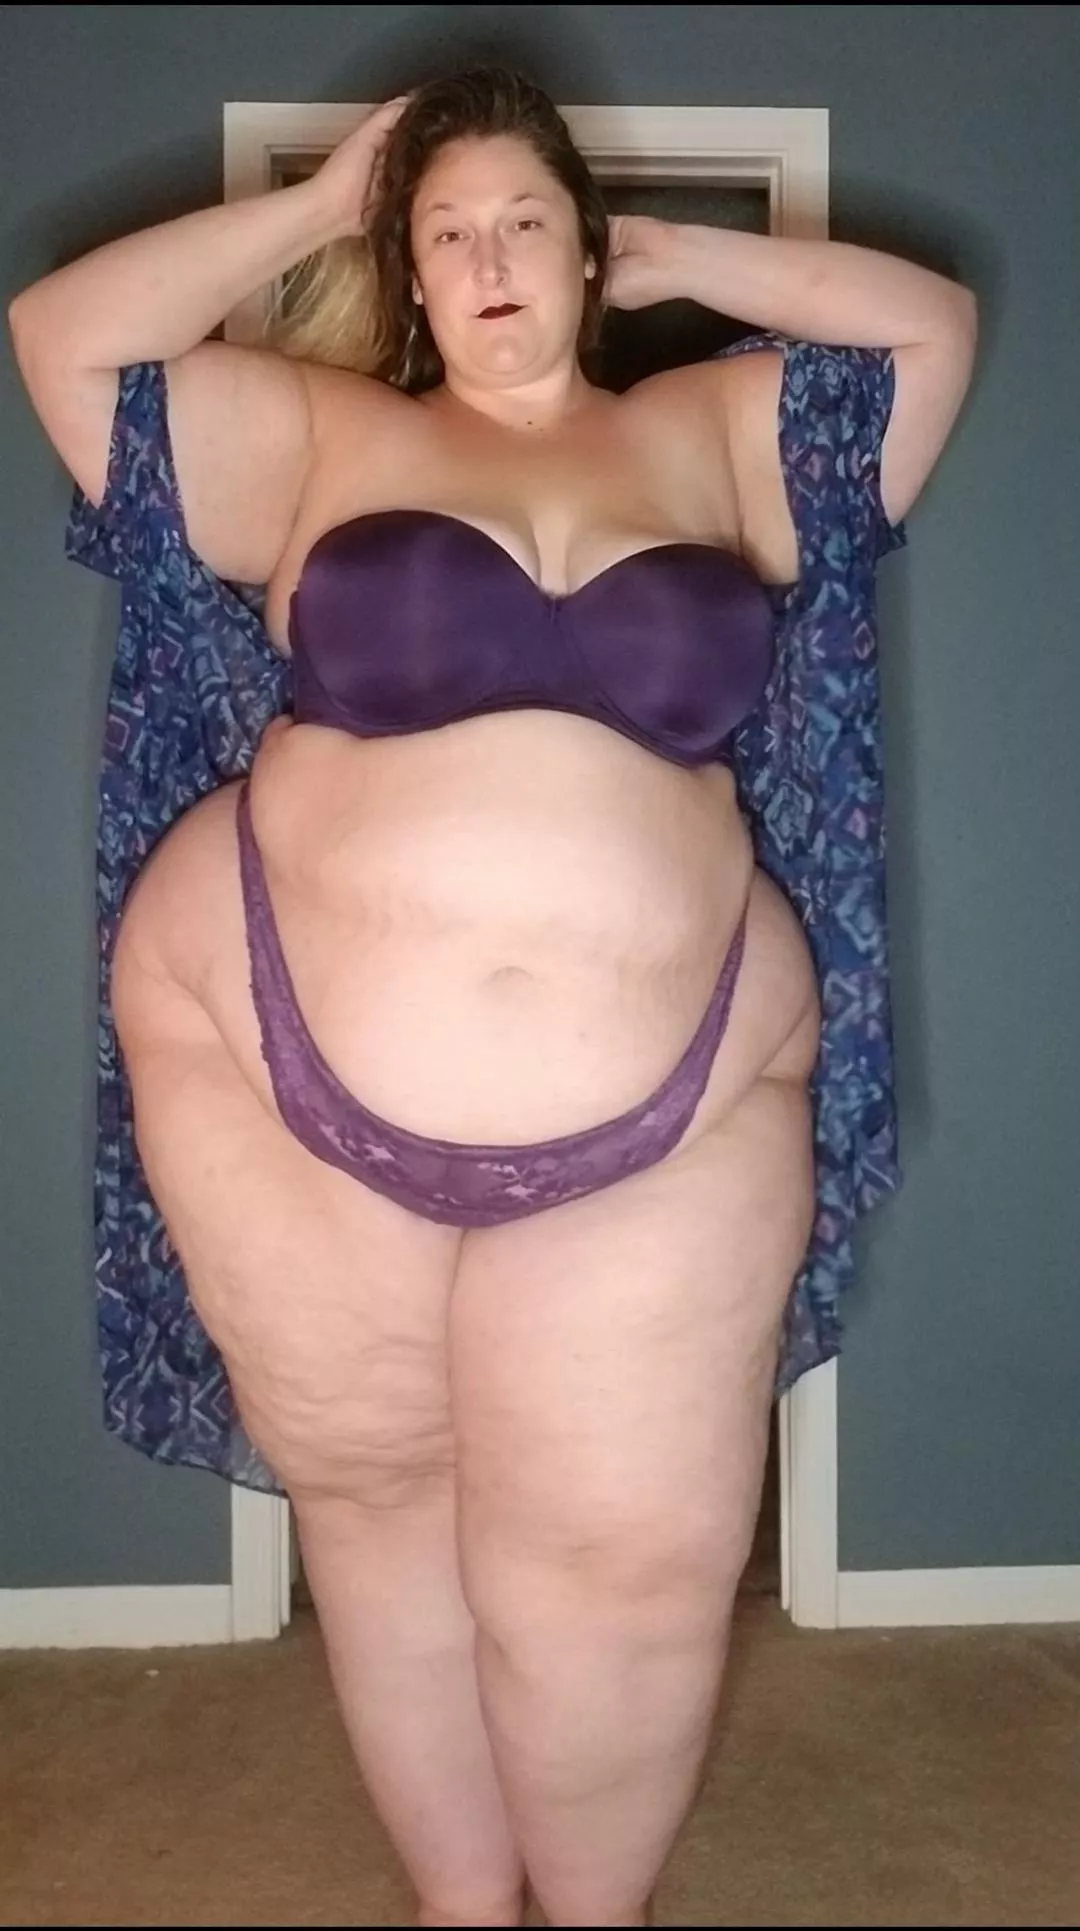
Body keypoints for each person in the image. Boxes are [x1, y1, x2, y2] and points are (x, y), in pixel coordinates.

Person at [9, 66, 976, 1931]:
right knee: (383, 1520)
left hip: (679, 1096)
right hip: (271, 1046)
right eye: (443, 231)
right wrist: (320, 210)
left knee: (633, 1564)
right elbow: (63, 339)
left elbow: (928, 334)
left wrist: (669, 249)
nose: (487, 254)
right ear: (408, 272)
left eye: (525, 218)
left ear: (588, 250)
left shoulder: (715, 434)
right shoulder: (320, 437)